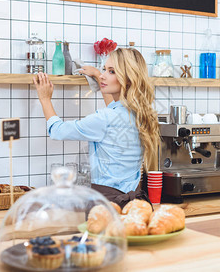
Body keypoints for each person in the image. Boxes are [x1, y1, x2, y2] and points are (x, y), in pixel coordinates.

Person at [34, 48, 160, 207]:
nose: (103, 75)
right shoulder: (138, 113)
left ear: (127, 79)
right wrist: (96, 74)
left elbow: (57, 130)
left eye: (112, 71)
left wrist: (45, 99)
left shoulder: (105, 118)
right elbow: (112, 112)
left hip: (107, 204)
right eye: (104, 69)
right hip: (134, 205)